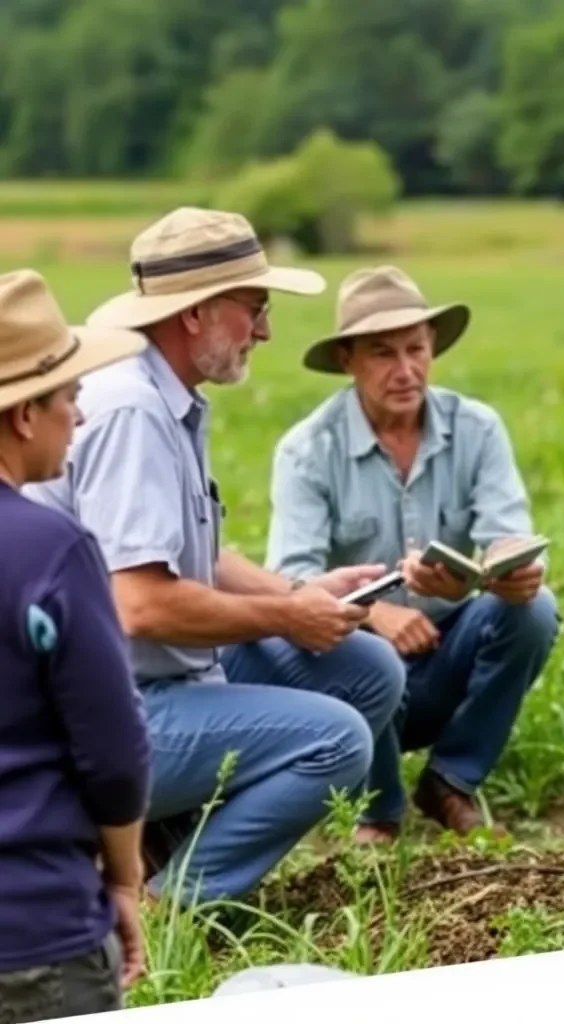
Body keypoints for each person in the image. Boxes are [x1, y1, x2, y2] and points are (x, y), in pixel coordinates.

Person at [25, 208, 406, 906]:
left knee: (366, 667)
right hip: (100, 710)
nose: (265, 330)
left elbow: (187, 550)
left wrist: (296, 593)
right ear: (196, 314)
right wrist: (289, 619)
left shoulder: (165, 390)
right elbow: (138, 604)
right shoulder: (132, 410)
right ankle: (172, 908)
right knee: (339, 742)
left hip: (151, 679)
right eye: (254, 308)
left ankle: (159, 838)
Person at [265, 266, 559, 841]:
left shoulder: (476, 428)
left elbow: (509, 537)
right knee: (338, 640)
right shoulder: (307, 449)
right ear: (348, 360)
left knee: (537, 609)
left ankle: (450, 782)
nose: (406, 371)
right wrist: (376, 613)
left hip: (449, 649)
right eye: (382, 354)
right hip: (359, 663)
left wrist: (507, 573)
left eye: (416, 350)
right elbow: (292, 579)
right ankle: (378, 809)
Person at [0, 269, 151, 1019]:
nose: (80, 414)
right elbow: (114, 752)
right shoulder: (49, 550)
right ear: (25, 414)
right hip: (35, 931)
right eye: (67, 396)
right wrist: (122, 880)